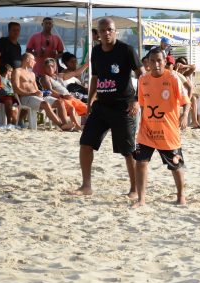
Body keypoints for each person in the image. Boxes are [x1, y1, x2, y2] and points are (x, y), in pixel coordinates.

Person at [70, 18, 144, 197]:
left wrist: (136, 99)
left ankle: (134, 189)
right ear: (98, 34)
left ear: (115, 31)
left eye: (110, 30)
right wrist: (89, 103)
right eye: (102, 30)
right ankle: (86, 186)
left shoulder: (126, 50)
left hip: (123, 106)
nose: (106, 33)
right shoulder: (96, 51)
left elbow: (142, 75)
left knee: (128, 150)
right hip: (101, 106)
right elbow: (95, 78)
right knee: (85, 143)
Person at [132, 49, 189, 208]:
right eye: (152, 61)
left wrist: (184, 116)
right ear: (147, 63)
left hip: (168, 130)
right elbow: (143, 105)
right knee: (141, 162)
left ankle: (181, 196)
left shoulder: (172, 78)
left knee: (175, 165)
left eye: (159, 61)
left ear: (165, 62)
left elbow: (187, 101)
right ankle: (141, 199)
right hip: (147, 130)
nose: (156, 64)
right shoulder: (142, 79)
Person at [13, 53, 71, 130]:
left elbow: (36, 89)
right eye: (33, 60)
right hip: (25, 97)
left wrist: (40, 92)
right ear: (27, 60)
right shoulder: (17, 71)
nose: (35, 62)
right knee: (45, 104)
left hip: (36, 97)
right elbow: (16, 88)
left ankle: (66, 124)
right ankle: (61, 126)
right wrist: (33, 93)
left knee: (59, 102)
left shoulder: (32, 74)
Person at [40, 58, 88, 130]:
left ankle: (83, 125)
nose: (50, 68)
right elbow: (49, 90)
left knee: (86, 108)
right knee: (71, 108)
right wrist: (62, 96)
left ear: (55, 67)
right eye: (48, 66)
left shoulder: (60, 76)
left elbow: (76, 73)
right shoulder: (45, 77)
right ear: (45, 68)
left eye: (52, 66)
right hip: (60, 98)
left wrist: (88, 64)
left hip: (69, 97)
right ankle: (76, 126)